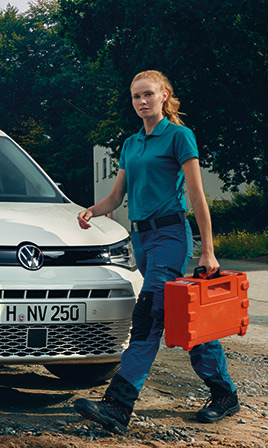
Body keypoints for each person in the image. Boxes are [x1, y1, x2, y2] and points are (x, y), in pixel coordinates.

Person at [73, 70, 238, 433]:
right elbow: (117, 197)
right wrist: (91, 211)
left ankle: (118, 405)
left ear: (164, 95)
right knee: (182, 315)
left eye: (148, 94)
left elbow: (196, 195)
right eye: (135, 96)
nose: (141, 101)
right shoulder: (131, 144)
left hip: (170, 235)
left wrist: (207, 250)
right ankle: (224, 392)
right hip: (142, 241)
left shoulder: (180, 136)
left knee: (147, 316)